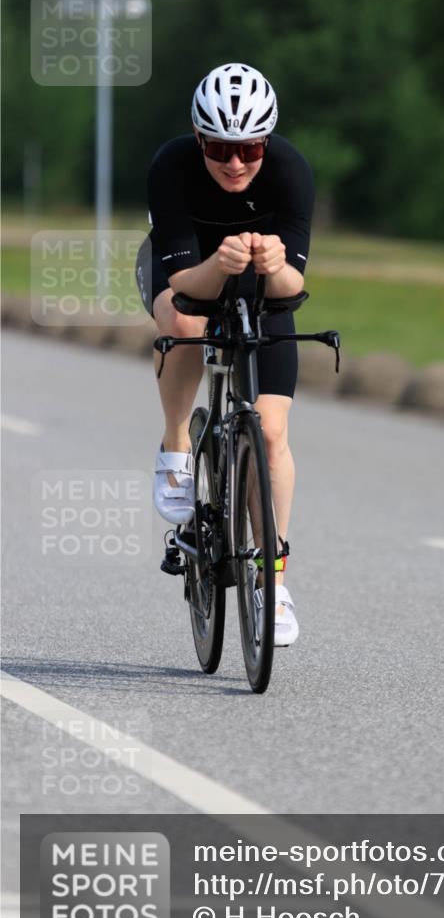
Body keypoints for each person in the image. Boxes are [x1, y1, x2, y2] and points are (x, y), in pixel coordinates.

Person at [135, 62, 315, 645]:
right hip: (186, 277)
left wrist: (274, 266)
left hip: (262, 291)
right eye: (218, 147)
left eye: (249, 148)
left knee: (268, 433)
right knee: (183, 316)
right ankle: (176, 445)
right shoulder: (171, 166)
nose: (235, 163)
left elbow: (295, 289)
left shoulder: (290, 171)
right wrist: (220, 264)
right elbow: (184, 283)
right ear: (197, 137)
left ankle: (274, 580)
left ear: (268, 142)